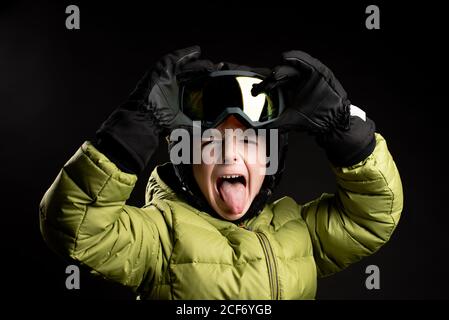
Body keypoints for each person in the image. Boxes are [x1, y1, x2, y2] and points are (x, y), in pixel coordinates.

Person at [39, 46, 403, 299]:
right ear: (186, 161)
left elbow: (374, 215)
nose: (230, 154)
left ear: (270, 161)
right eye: (210, 143)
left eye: (248, 143)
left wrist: (344, 130)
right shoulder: (159, 237)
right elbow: (76, 228)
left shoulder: (298, 231)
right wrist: (134, 128)